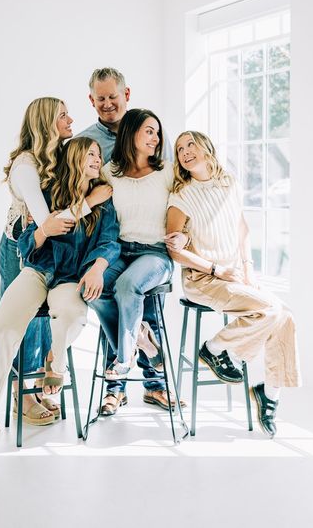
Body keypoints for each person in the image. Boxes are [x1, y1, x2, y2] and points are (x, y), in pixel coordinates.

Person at [0, 137, 121, 469]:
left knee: (72, 312)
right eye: (91, 154)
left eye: (99, 154)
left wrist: (97, 267)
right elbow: (26, 243)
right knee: (1, 327)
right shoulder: (50, 192)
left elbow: (110, 242)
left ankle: (55, 361)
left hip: (70, 278)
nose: (98, 159)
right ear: (76, 158)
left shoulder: (106, 199)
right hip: (39, 271)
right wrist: (45, 230)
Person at [165, 131, 301, 438]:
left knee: (285, 315)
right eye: (180, 149)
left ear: (206, 147)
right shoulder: (182, 196)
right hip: (203, 278)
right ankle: (214, 349)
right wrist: (216, 268)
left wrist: (248, 268)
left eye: (191, 144)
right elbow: (175, 250)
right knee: (269, 308)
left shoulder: (228, 183)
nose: (185, 151)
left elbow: (241, 227)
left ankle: (269, 394)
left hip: (234, 273)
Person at [0, 97, 111, 424]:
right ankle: (23, 396)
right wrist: (90, 201)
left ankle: (38, 384)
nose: (70, 119)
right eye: (63, 115)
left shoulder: (56, 155)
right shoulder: (26, 166)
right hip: (22, 247)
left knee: (50, 316)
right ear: (47, 123)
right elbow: (47, 222)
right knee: (27, 321)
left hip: (53, 250)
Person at [85, 108, 185, 413]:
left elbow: (187, 205)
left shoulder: (168, 170)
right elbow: (99, 217)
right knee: (92, 289)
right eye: (149, 131)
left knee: (128, 287)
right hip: (120, 250)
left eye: (157, 131)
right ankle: (141, 348)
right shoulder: (110, 173)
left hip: (155, 254)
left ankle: (126, 367)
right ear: (131, 133)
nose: (156, 138)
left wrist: (186, 238)